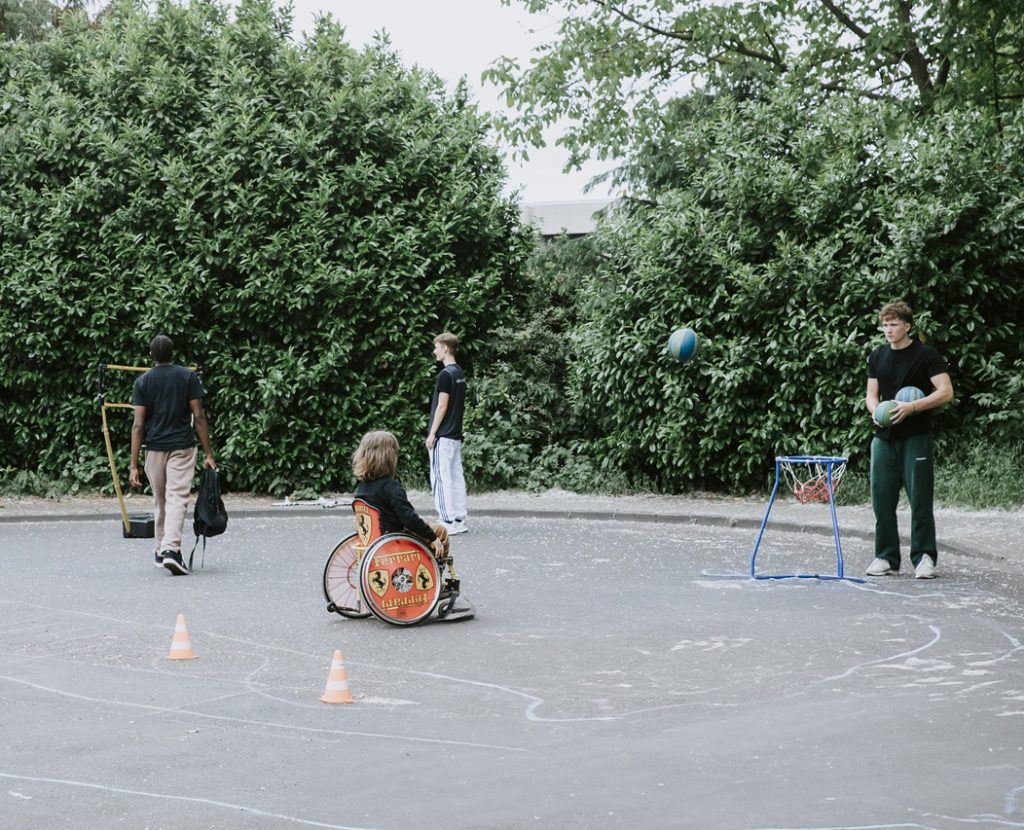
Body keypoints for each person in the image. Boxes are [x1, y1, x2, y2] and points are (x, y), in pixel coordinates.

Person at [864, 301, 954, 579]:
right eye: (885, 324)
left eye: (893, 324)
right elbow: (871, 396)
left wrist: (912, 407)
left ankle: (924, 557)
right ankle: (886, 557)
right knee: (882, 499)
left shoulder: (926, 355)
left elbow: (945, 392)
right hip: (883, 437)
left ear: (907, 326)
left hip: (915, 437)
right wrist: (875, 413)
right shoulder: (877, 355)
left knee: (920, 499)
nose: (888, 330)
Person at [129, 335, 216, 575]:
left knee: (161, 499)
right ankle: (171, 551)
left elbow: (138, 425)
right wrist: (208, 452)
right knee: (177, 497)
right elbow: (198, 416)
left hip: (154, 448)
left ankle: (160, 550)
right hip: (182, 446)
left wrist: (133, 465)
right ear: (172, 354)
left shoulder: (143, 381)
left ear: (151, 355)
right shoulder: (187, 376)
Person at [352, 430, 448, 560]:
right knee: (440, 531)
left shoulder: (363, 487)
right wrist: (432, 536)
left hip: (374, 538)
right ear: (389, 457)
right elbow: (408, 518)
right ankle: (436, 568)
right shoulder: (392, 487)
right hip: (394, 538)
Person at [425, 332, 468, 534]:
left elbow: (442, 406)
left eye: (436, 347)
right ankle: (459, 519)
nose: (434, 351)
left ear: (445, 348)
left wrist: (432, 433)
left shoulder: (445, 375)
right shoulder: (458, 373)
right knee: (455, 477)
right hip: (455, 435)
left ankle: (447, 522)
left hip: (443, 435)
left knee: (441, 479)